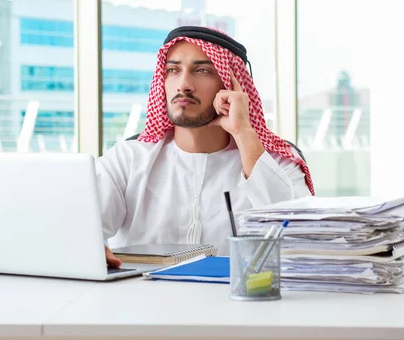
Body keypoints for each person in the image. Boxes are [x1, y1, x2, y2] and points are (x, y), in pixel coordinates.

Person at [97, 26, 314, 267]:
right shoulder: (127, 160)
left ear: (232, 85)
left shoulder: (281, 162)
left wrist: (244, 133)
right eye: (173, 70)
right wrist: (93, 247)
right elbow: (82, 230)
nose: (184, 84)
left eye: (202, 70)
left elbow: (297, 242)